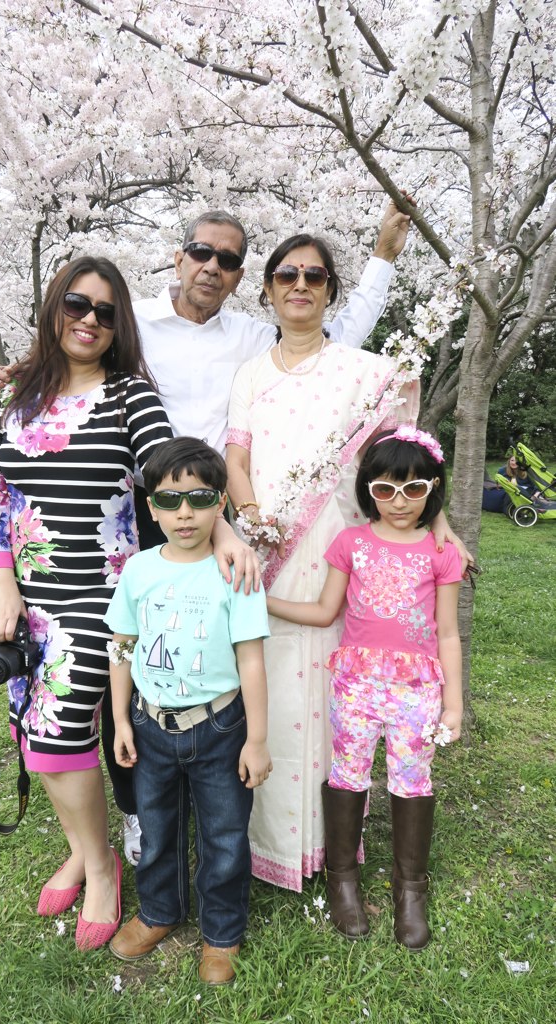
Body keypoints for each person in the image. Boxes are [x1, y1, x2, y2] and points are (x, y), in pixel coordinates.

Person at [0, 205, 412, 858]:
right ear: (178, 258)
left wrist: (381, 255)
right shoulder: (134, 324)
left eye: (229, 259)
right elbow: (73, 352)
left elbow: (334, 335)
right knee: (121, 672)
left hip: (212, 517)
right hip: (128, 520)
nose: (212, 267)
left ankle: (214, 789)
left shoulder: (250, 336)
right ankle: (137, 810)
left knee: (202, 667)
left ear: (241, 276)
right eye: (201, 253)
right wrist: (17, 372)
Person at [225, 233, 457, 893]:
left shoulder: (365, 371)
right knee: (272, 690)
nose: (300, 285)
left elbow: (402, 466)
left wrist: (439, 524)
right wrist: (252, 521)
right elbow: (236, 460)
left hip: (337, 551)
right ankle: (269, 843)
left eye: (315, 276)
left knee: (332, 697)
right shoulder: (250, 373)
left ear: (330, 290)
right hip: (268, 548)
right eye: (286, 275)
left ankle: (334, 855)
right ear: (267, 289)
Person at [0, 255, 173, 950]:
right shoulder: (6, 399)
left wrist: (218, 516)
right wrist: (2, 583)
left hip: (106, 594)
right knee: (36, 739)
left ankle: (101, 870)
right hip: (27, 597)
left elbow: (166, 467)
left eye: (106, 313)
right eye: (77, 305)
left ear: (119, 328)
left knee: (57, 738)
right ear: (55, 306)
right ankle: (86, 850)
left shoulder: (131, 398)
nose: (89, 320)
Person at [266, 428, 462, 950]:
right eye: (385, 489)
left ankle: (410, 891)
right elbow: (326, 611)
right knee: (348, 776)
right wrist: (262, 601)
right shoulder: (351, 543)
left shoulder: (441, 551)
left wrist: (455, 704)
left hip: (418, 691)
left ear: (433, 489)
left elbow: (447, 632)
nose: (399, 502)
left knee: (411, 780)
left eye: (414, 489)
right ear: (368, 491)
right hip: (355, 687)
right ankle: (343, 882)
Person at [105, 437, 271, 984]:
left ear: (219, 503)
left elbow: (251, 660)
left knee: (224, 834)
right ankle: (158, 911)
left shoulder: (236, 572)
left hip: (221, 726)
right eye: (170, 501)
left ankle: (221, 932)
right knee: (156, 826)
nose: (184, 513)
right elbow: (123, 646)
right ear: (150, 506)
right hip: (153, 725)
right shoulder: (138, 571)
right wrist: (123, 718)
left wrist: (257, 738)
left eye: (200, 499)